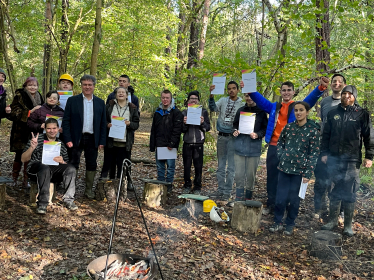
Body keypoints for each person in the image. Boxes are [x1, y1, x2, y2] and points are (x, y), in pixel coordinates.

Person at [240, 77, 329, 214]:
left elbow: (310, 100)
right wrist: (249, 89)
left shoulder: (297, 107)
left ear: (293, 92)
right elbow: (260, 100)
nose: (286, 93)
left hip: (291, 148)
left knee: (289, 177)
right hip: (274, 147)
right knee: (272, 176)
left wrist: (320, 88)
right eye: (284, 90)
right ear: (280, 92)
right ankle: (271, 204)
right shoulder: (274, 107)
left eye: (289, 90)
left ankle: (286, 205)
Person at [320, 85, 374, 236]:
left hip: (352, 159)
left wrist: (369, 156)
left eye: (350, 94)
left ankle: (348, 225)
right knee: (333, 188)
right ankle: (332, 221)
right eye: (344, 94)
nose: (346, 96)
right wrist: (324, 153)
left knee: (350, 190)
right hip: (333, 158)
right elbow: (325, 136)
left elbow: (369, 136)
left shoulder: (361, 114)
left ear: (354, 97)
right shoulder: (332, 113)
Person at [269, 101, 320, 235]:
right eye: (296, 110)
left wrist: (308, 173)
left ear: (307, 112)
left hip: (300, 172)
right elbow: (280, 142)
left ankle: (290, 224)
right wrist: (282, 155)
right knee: (280, 198)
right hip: (284, 169)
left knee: (294, 200)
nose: (298, 113)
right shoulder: (289, 127)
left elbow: (314, 153)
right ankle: (277, 221)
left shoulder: (313, 131)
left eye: (301, 110)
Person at [62, 75, 106, 199]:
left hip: (93, 138)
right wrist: (68, 138)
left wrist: (102, 140)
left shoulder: (100, 102)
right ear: (81, 85)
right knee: (73, 163)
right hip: (76, 138)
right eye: (85, 84)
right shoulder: (72, 100)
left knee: (91, 163)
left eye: (90, 84)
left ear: (94, 86)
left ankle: (88, 190)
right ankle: (70, 190)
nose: (87, 87)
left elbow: (103, 123)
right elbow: (66, 121)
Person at [21, 118, 77, 214]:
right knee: (44, 167)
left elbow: (65, 163)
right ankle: (42, 203)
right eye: (49, 128)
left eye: (54, 128)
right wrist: (32, 148)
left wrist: (62, 161)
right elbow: (23, 159)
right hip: (36, 169)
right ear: (45, 129)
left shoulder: (60, 144)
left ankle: (68, 200)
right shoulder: (37, 140)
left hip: (53, 171)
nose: (52, 131)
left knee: (71, 169)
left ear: (58, 129)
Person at [313, 74, 346, 218]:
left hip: (341, 148)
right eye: (334, 81)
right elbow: (323, 122)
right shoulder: (325, 102)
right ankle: (319, 209)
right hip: (324, 145)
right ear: (331, 84)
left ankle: (339, 211)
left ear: (344, 85)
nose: (336, 84)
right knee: (321, 179)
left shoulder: (348, 101)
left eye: (340, 82)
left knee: (340, 180)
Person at [228, 93, 268, 206]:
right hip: (239, 147)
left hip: (254, 148)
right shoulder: (241, 110)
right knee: (239, 174)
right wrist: (234, 131)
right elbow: (234, 125)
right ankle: (239, 198)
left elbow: (265, 128)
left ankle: (249, 198)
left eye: (251, 96)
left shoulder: (261, 111)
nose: (249, 98)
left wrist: (257, 134)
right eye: (246, 96)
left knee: (251, 175)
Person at [209, 81, 244, 200]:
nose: (231, 91)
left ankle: (227, 192)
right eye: (229, 89)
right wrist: (211, 96)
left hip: (234, 138)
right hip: (222, 137)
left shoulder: (242, 103)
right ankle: (220, 190)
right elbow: (213, 108)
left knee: (231, 167)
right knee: (221, 166)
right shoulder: (223, 101)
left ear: (238, 90)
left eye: (234, 88)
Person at [9, 77, 44, 190]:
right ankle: (14, 179)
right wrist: (30, 112)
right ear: (25, 86)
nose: (32, 87)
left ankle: (26, 180)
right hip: (21, 130)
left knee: (30, 154)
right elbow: (13, 112)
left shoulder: (40, 96)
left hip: (34, 130)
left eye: (34, 85)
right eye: (30, 85)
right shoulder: (19, 95)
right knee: (19, 154)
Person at [100, 87, 139, 181]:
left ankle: (120, 185)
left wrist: (130, 124)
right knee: (109, 164)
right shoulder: (109, 106)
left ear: (126, 95)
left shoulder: (132, 108)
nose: (121, 94)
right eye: (118, 92)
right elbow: (102, 121)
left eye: (123, 92)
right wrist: (107, 125)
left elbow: (136, 124)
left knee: (121, 165)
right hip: (111, 141)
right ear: (115, 94)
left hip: (124, 142)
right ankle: (108, 184)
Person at [149, 89, 183, 190]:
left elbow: (177, 130)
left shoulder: (176, 112)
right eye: (163, 97)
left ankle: (168, 188)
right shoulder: (157, 112)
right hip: (159, 144)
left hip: (170, 145)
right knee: (160, 168)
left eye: (167, 98)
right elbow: (153, 129)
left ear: (171, 99)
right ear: (161, 98)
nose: (165, 100)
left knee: (170, 168)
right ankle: (160, 188)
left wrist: (172, 143)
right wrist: (152, 145)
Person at [181, 91, 211, 195]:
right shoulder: (184, 112)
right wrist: (184, 123)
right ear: (188, 100)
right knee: (187, 166)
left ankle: (197, 186)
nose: (193, 100)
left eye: (196, 98)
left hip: (199, 144)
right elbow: (182, 130)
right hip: (187, 143)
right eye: (191, 98)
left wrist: (202, 123)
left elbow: (208, 127)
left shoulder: (203, 112)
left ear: (198, 100)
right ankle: (187, 185)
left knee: (198, 167)